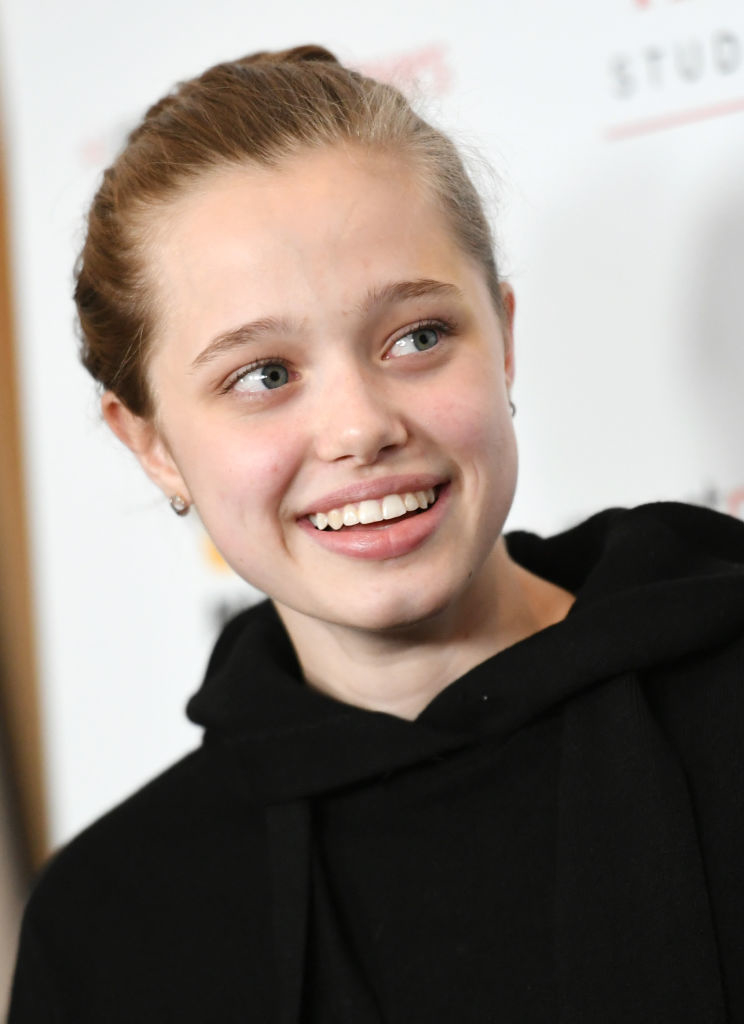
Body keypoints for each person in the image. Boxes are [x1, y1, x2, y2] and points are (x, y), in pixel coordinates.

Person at [9, 45, 744, 1023]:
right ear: (152, 445)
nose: (361, 427)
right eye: (263, 374)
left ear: (505, 336)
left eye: (417, 336)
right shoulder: (111, 928)